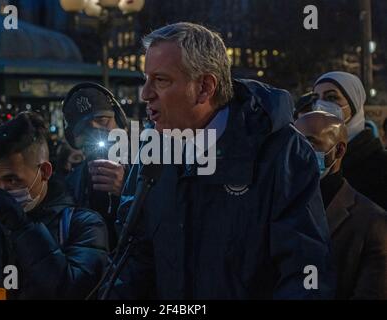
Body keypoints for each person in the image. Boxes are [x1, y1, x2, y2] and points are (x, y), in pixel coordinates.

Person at [110, 22, 335, 299]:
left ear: (204, 87)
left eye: (161, 80)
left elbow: (305, 271)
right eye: (145, 79)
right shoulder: (152, 148)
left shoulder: (280, 152)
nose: (145, 94)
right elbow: (135, 259)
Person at [0, 112, 109, 300]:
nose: (2, 190)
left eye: (12, 179)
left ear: (44, 171)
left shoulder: (82, 225)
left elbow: (77, 291)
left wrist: (23, 229)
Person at [295, 111, 387, 299]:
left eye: (310, 143)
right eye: (294, 142)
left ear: (339, 150)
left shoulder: (372, 222)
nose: (298, 151)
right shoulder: (278, 206)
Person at [63, 82, 129, 250]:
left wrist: (128, 189)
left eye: (103, 121)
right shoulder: (72, 182)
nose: (97, 131)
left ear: (120, 121)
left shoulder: (149, 166)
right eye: (85, 129)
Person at [313, 71, 387, 209]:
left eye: (331, 97)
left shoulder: (381, 165)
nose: (320, 105)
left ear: (354, 103)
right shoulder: (313, 157)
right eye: (315, 98)